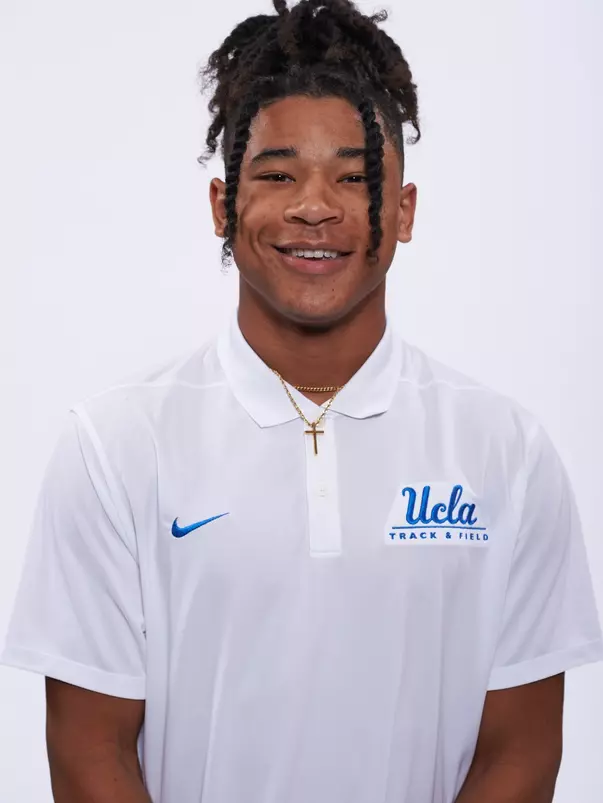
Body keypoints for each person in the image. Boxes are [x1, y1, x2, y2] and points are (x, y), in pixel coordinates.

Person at [1, 1, 602, 801]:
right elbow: (88, 753)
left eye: (355, 178)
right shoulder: (115, 444)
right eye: (277, 174)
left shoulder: (504, 451)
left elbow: (518, 753)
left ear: (404, 210)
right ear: (223, 206)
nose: (313, 206)